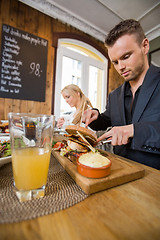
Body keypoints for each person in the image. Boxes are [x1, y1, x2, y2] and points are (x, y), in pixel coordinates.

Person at [82, 19, 160, 169]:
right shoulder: (114, 95)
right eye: (115, 62)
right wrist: (96, 116)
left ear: (145, 46)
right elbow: (106, 120)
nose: (121, 67)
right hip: (118, 171)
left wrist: (134, 130)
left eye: (126, 57)